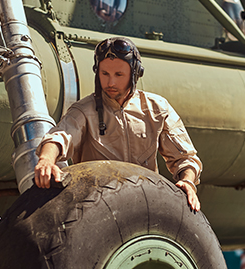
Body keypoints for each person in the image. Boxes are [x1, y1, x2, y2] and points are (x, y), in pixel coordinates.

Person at [34, 37, 202, 211]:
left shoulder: (157, 109)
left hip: (146, 204)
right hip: (96, 206)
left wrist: (187, 181)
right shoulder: (84, 110)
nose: (110, 83)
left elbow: (186, 157)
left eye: (119, 75)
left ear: (135, 73)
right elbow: (60, 136)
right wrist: (46, 159)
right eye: (104, 74)